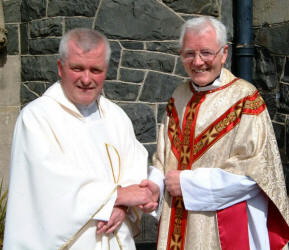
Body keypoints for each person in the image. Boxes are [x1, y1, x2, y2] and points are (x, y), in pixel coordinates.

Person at [141, 16, 289, 250]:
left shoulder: (245, 99)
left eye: (206, 53)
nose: (198, 62)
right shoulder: (179, 96)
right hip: (176, 225)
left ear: (224, 53)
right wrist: (154, 185)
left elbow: (255, 174)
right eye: (189, 54)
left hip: (222, 227)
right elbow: (163, 158)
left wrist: (188, 183)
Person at [3, 28, 157, 250]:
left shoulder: (116, 117)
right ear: (60, 68)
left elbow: (133, 168)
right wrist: (117, 196)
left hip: (115, 239)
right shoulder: (37, 118)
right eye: (77, 68)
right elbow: (48, 186)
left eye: (96, 70)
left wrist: (122, 207)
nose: (86, 79)